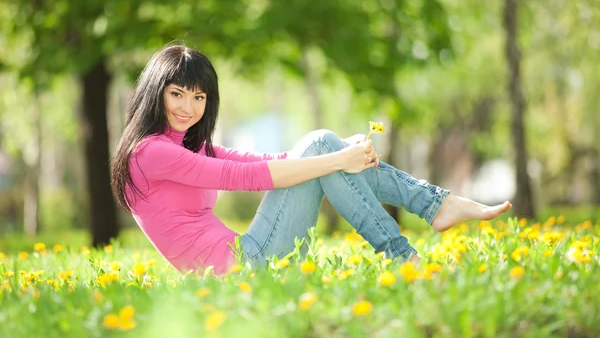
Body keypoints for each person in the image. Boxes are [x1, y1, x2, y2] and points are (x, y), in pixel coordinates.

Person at [111, 45, 512, 276]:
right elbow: (243, 177)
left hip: (249, 261)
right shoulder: (150, 153)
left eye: (199, 97)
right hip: (243, 271)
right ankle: (417, 239)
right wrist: (337, 157)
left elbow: (271, 159)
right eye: (178, 93)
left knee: (323, 145)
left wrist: (340, 150)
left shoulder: (188, 144)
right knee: (323, 147)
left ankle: (430, 217)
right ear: (155, 91)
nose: (189, 106)